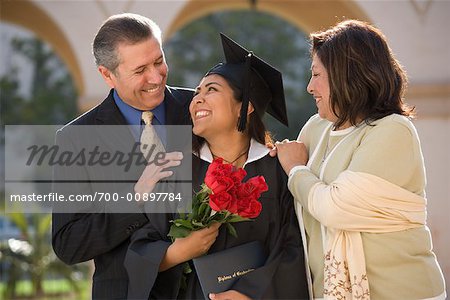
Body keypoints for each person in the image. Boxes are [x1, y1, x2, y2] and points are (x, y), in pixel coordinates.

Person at [124, 33, 310, 299]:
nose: (197, 99)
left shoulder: (276, 170)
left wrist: (249, 294)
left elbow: (293, 247)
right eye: (197, 91)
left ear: (244, 108)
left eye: (211, 89)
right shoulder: (175, 169)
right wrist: (178, 251)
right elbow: (140, 248)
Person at [274, 20, 446, 299]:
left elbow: (335, 208)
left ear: (347, 75)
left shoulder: (393, 131)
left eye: (317, 75)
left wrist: (295, 169)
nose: (309, 87)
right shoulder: (316, 128)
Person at [51, 13, 193, 299]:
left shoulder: (197, 108)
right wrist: (135, 197)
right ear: (107, 75)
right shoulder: (75, 139)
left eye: (158, 61)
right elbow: (68, 243)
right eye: (140, 70)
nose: (155, 77)